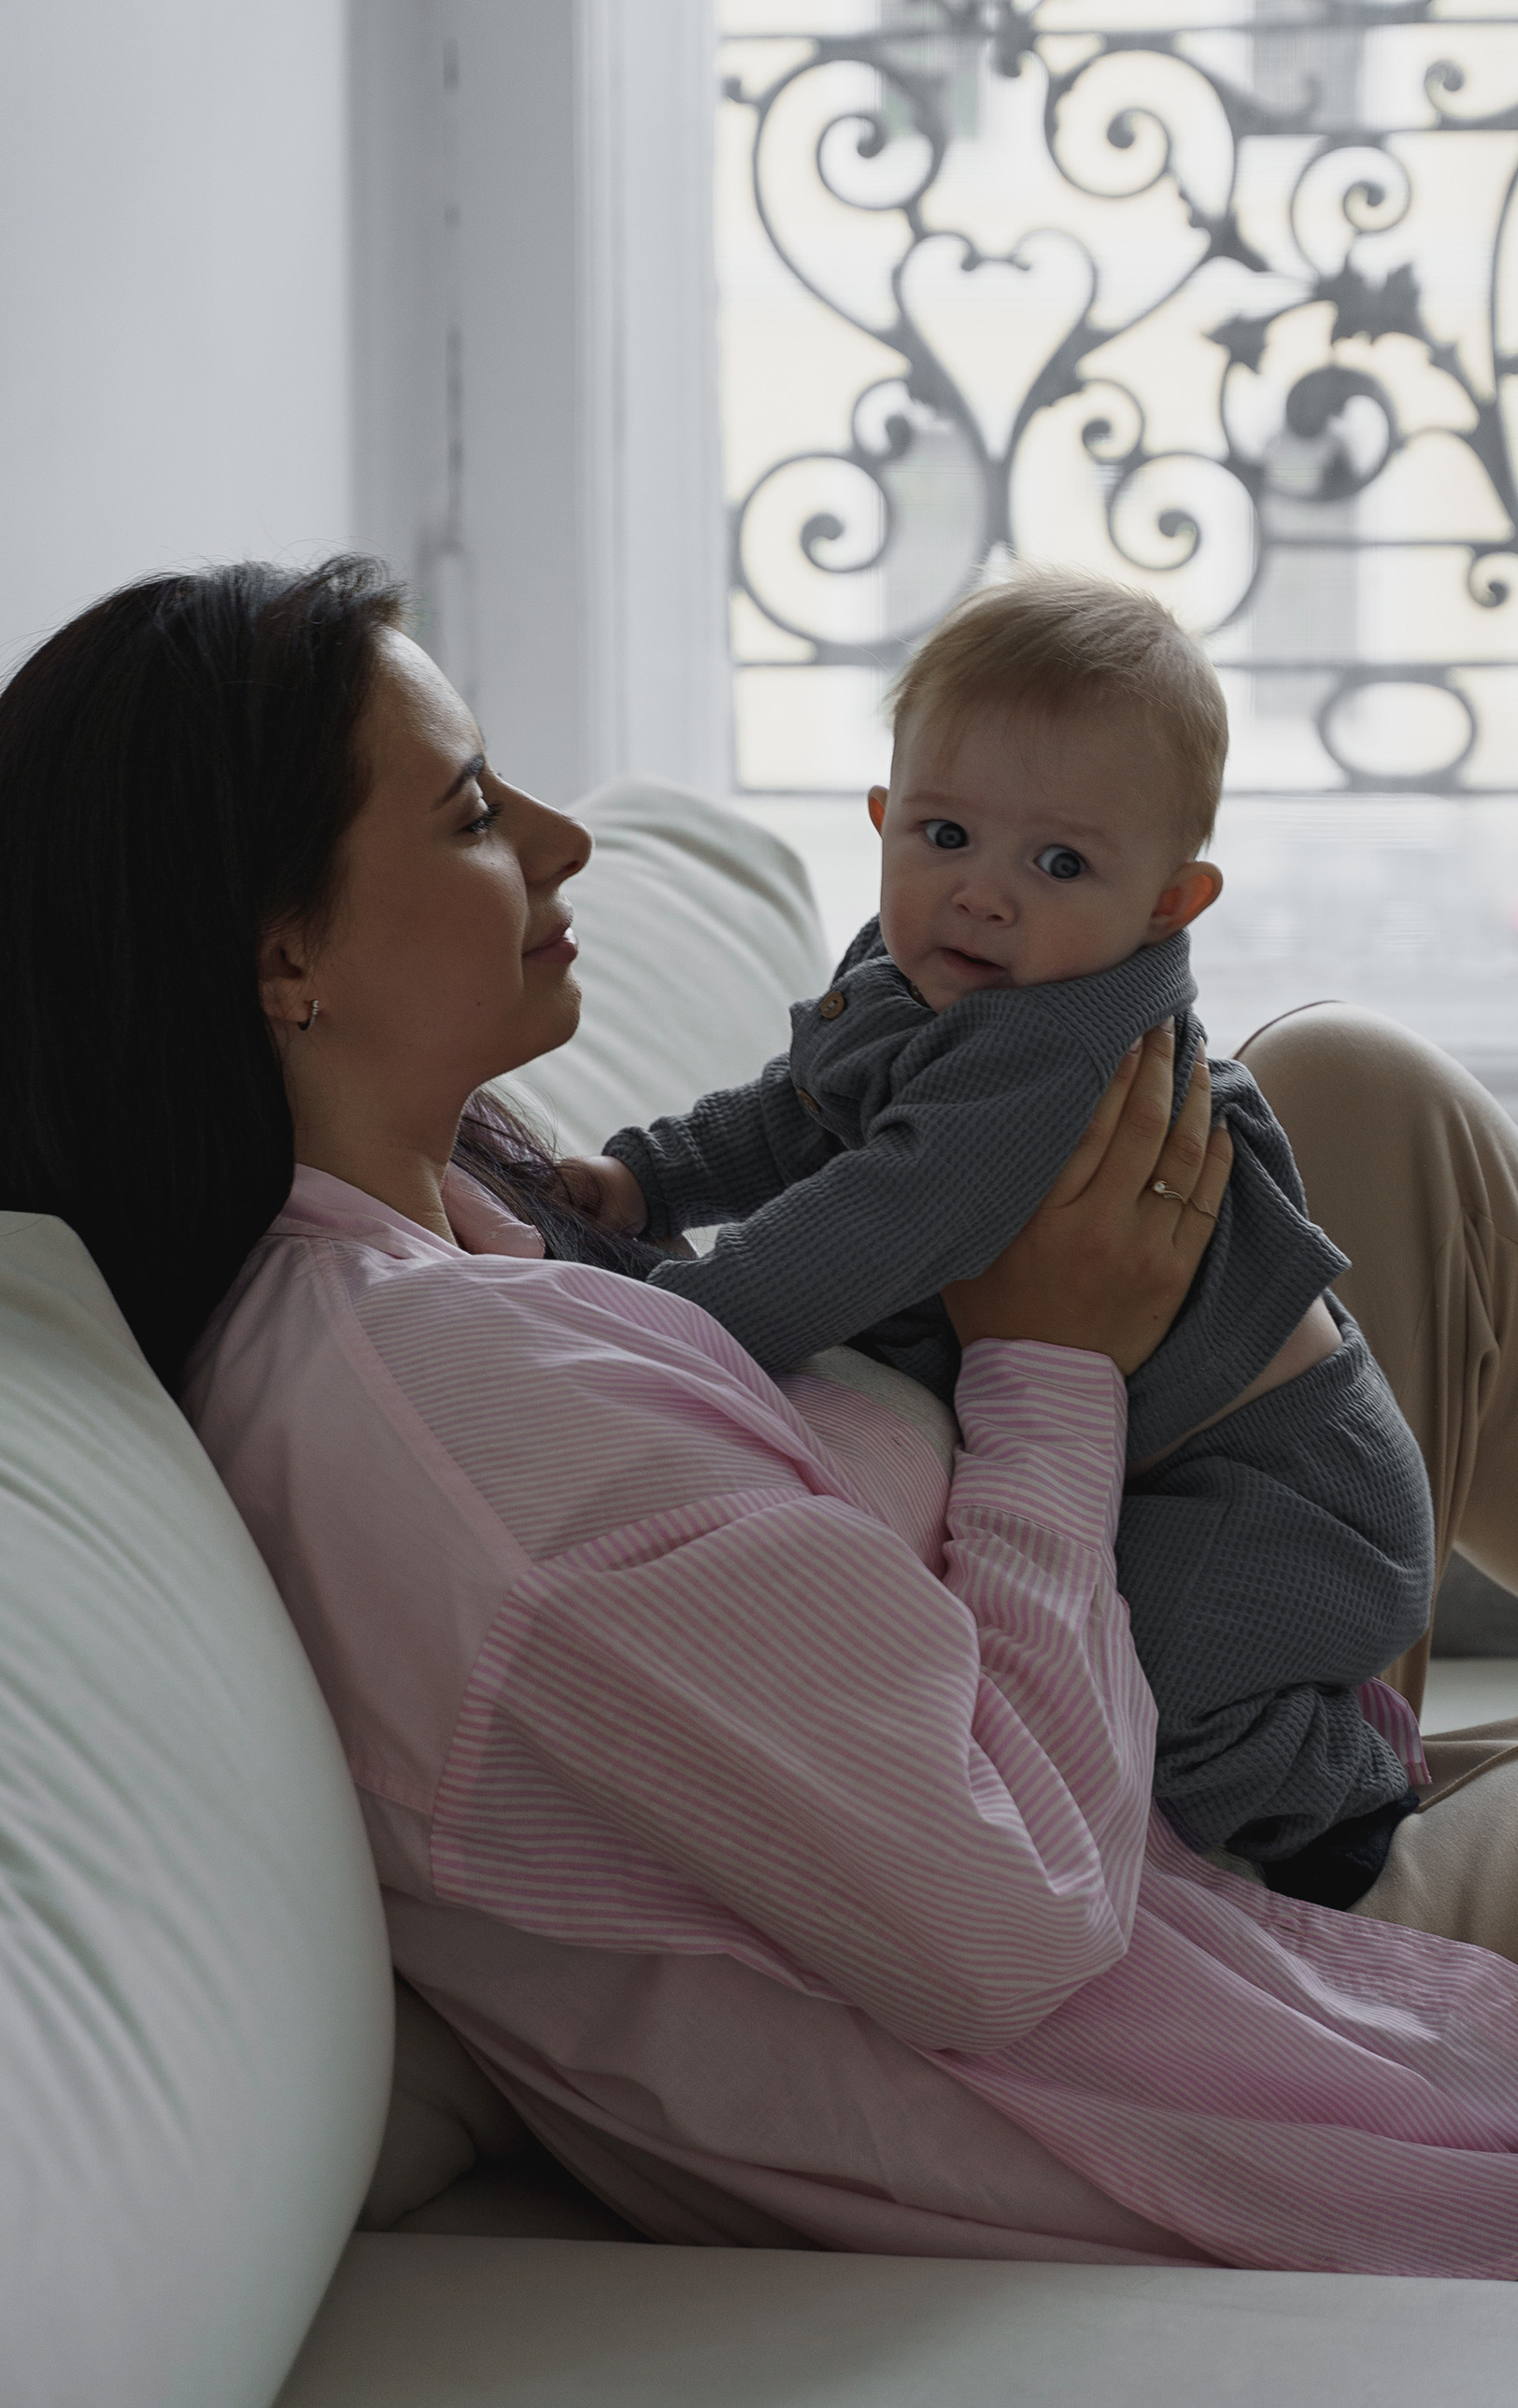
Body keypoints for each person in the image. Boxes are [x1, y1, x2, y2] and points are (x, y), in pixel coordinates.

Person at [0, 560, 1518, 2408]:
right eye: (462, 814)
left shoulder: (458, 1193)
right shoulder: (459, 1419)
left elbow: (817, 1197)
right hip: (1189, 1992)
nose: (553, 842)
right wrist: (1053, 1367)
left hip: (1184, 1705)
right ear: (274, 960)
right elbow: (1011, 1914)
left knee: (1348, 1093)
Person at [565, 572, 1436, 1902]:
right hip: (1189, 1467)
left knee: (1159, 1676)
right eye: (946, 832)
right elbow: (801, 1112)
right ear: (881, 819)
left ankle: (1341, 1792)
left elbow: (861, 1228)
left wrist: (661, 1310)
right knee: (1118, 1645)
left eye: (1060, 863)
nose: (982, 895)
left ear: (1170, 904)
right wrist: (644, 1180)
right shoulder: (911, 970)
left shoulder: (1051, 1054)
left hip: (1282, 1495)